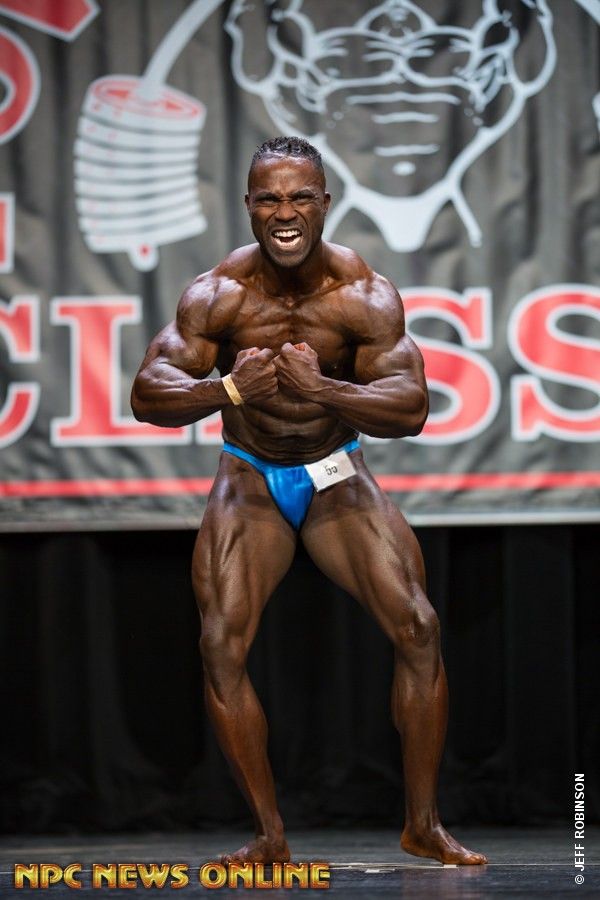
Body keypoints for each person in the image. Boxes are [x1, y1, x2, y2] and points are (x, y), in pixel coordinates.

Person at [131, 135, 487, 867]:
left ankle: (422, 824)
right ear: (248, 206)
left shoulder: (363, 295)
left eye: (299, 198)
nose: (284, 212)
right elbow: (148, 395)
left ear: (325, 203)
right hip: (249, 476)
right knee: (220, 644)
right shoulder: (217, 294)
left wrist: (323, 389)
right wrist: (230, 391)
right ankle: (269, 834)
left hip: (334, 472)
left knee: (418, 626)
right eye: (269, 198)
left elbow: (412, 408)